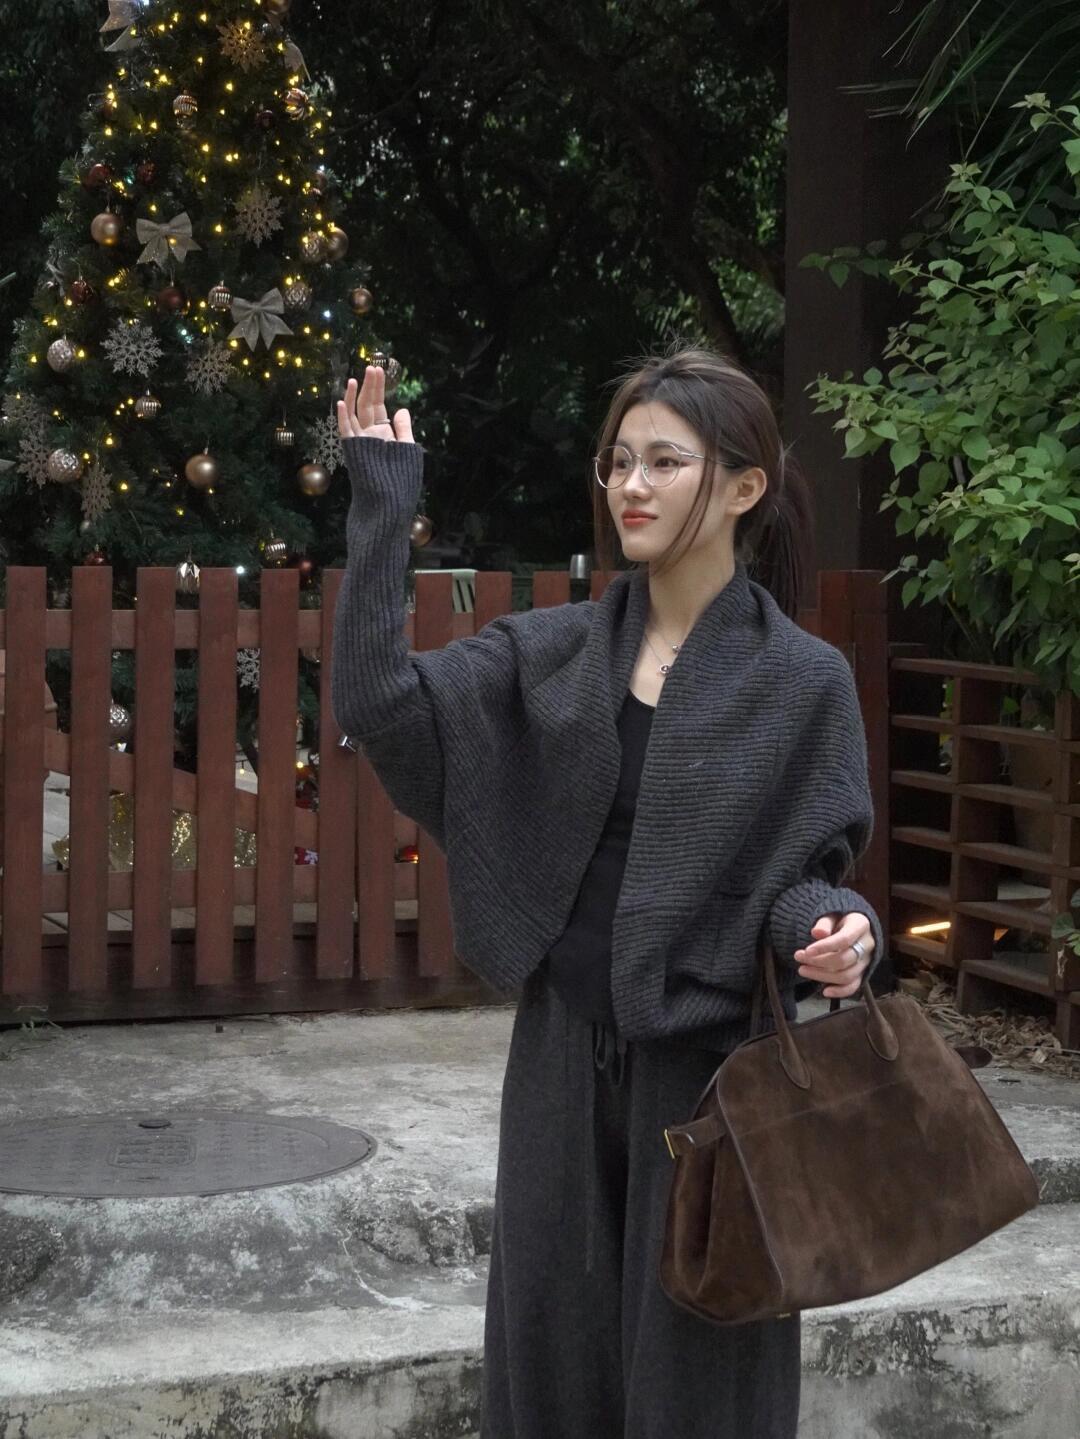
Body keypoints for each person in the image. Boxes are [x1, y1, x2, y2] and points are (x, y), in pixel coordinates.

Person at [332, 345, 885, 1438]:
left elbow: (809, 880)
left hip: (716, 1086)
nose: (632, 484)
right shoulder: (553, 654)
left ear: (744, 486)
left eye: (664, 462)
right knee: (548, 1370)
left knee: (703, 1391)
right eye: (619, 460)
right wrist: (382, 504)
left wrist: (841, 930)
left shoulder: (804, 681)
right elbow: (378, 701)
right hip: (559, 1062)